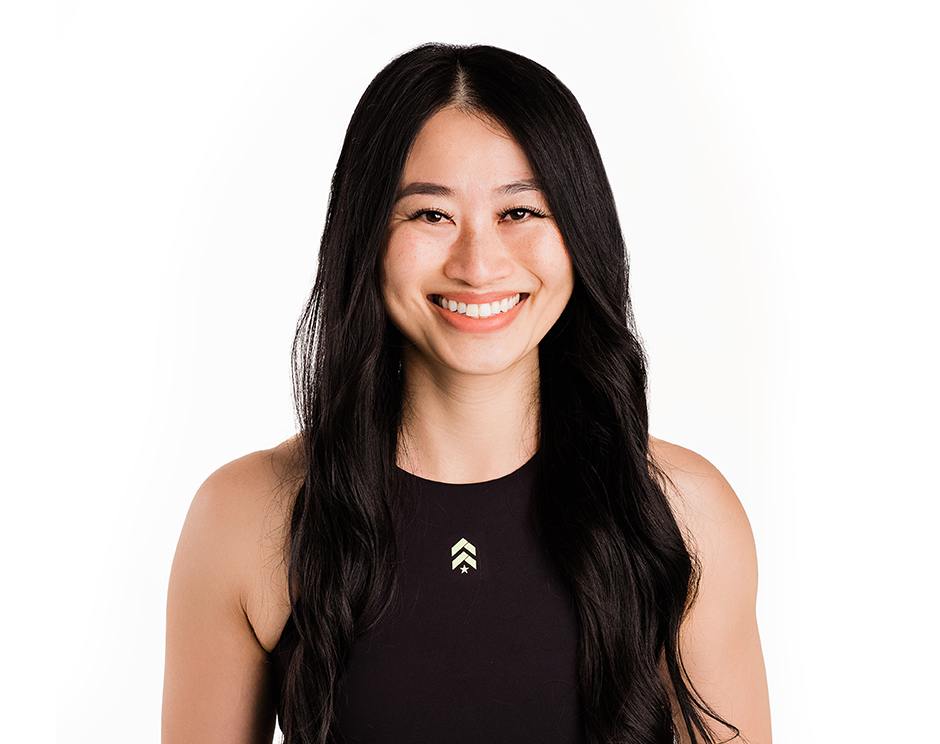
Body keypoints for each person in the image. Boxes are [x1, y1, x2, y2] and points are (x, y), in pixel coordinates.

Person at [162, 42, 772, 744]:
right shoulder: (245, 518)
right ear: (366, 238)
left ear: (581, 235)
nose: (478, 264)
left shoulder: (683, 513)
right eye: (430, 215)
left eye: (521, 213)